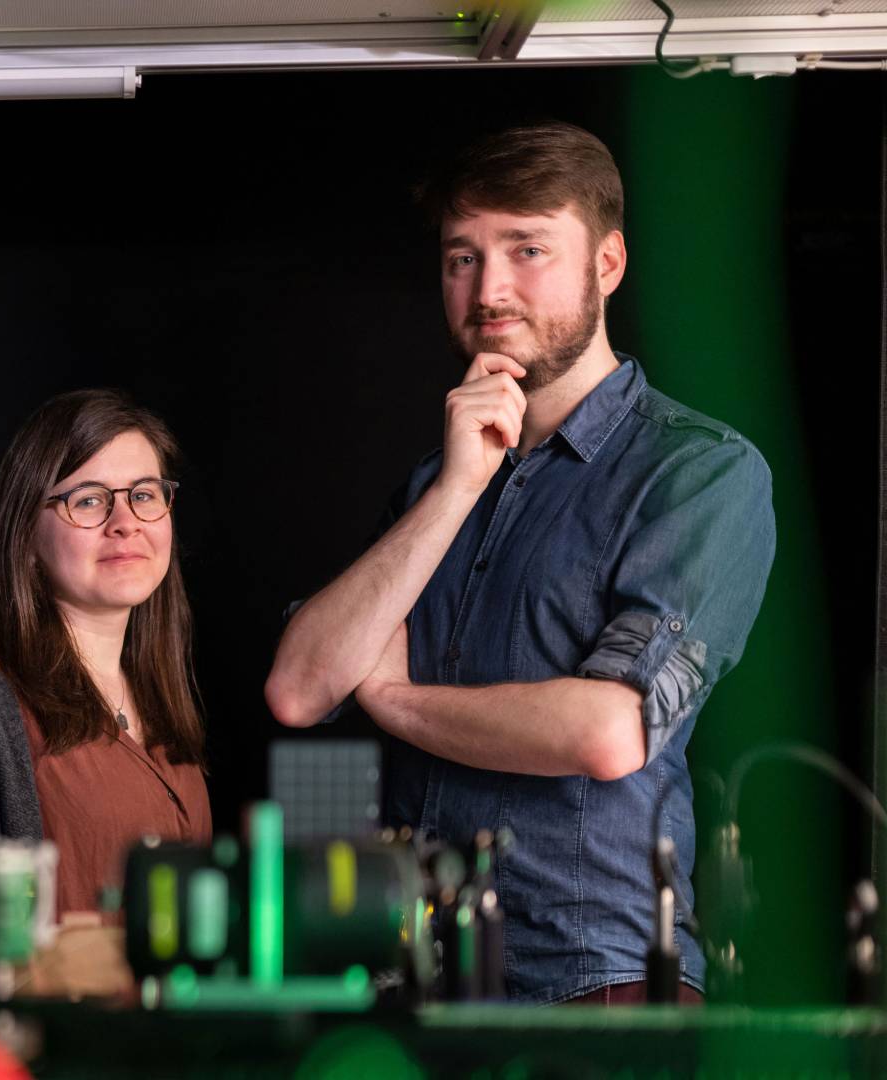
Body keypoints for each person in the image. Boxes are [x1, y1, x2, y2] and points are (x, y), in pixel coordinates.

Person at [264, 122, 775, 1004]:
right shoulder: (435, 483)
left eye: (527, 248)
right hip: (414, 987)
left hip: (593, 989)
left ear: (607, 264)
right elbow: (300, 688)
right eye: (461, 256)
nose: (488, 288)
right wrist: (459, 488)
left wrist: (393, 699)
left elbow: (608, 730)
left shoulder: (701, 472)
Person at [0, 389, 210, 917]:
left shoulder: (162, 708)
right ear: (26, 535)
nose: (126, 522)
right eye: (89, 500)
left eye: (144, 494)